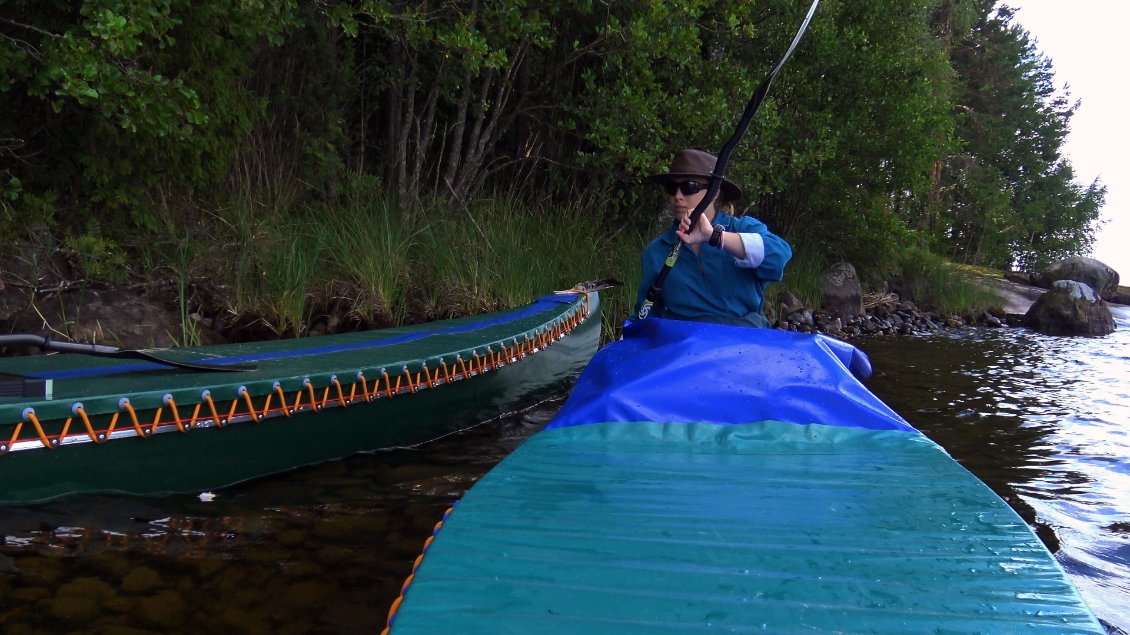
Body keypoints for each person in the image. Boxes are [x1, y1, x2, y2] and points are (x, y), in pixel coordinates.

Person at [633, 148, 792, 328]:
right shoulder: (657, 251)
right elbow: (644, 316)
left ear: (715, 192)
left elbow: (778, 258)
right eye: (671, 188)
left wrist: (716, 237)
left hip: (745, 344)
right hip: (685, 348)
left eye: (689, 187)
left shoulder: (743, 228)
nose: (677, 196)